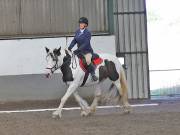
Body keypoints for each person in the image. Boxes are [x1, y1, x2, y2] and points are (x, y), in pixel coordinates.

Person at [68, 17, 98, 81]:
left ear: (86, 25)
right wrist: (70, 47)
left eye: (82, 23)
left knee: (87, 60)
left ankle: (93, 74)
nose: (80, 25)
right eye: (80, 23)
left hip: (87, 51)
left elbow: (86, 43)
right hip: (79, 52)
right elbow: (74, 40)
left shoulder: (88, 33)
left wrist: (78, 50)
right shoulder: (77, 32)